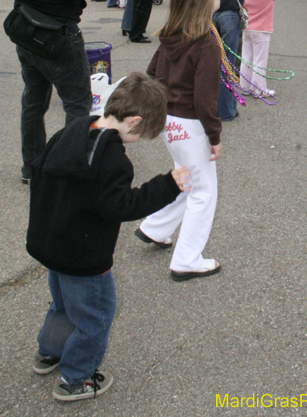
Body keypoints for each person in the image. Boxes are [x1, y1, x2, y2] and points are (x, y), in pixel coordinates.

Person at [26, 72, 191, 402]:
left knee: (62, 305)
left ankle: (49, 353)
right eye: (142, 133)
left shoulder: (77, 127)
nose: (138, 139)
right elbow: (123, 205)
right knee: (95, 317)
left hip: (52, 243)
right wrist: (168, 185)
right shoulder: (111, 159)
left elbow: (40, 171)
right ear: (133, 121)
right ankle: (76, 378)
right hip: (83, 257)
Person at [3, 0, 97, 184]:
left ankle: (31, 168)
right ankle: (70, 170)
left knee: (33, 102)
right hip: (59, 33)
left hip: (25, 29)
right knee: (77, 105)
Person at [136, 0, 223, 280]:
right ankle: (187, 259)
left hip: (168, 123)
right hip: (191, 126)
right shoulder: (206, 44)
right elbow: (204, 99)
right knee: (203, 191)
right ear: (204, 2)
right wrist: (214, 135)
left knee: (185, 178)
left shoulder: (168, 37)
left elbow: (150, 75)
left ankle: (155, 228)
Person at [240, 0, 293, 96]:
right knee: (259, 60)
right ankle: (259, 89)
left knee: (246, 58)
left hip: (247, 29)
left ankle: (244, 86)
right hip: (262, 32)